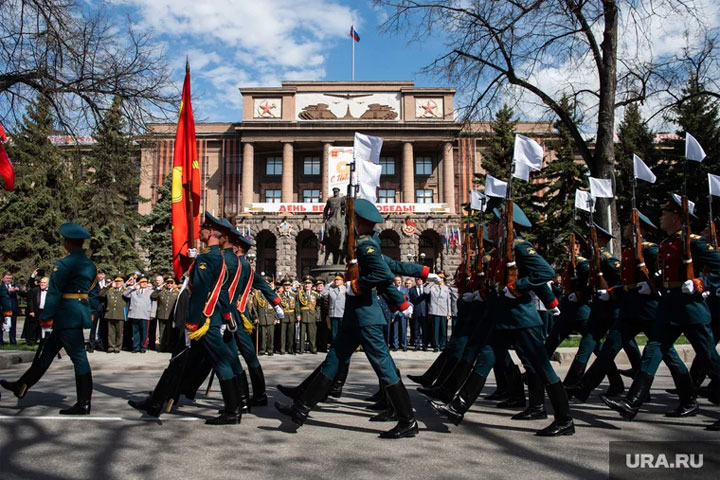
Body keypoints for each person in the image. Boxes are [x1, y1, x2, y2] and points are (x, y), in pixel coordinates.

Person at [276, 198, 419, 439]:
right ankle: (300, 409)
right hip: (355, 317)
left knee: (383, 367)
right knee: (333, 359)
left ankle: (408, 420)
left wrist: (357, 285)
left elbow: (382, 274)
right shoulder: (363, 243)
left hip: (366, 317)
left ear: (357, 221)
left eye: (349, 218)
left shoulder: (366, 245)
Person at [603, 195, 720, 428]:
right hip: (668, 308)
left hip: (690, 309)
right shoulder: (667, 244)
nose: (660, 217)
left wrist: (702, 283)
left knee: (709, 359)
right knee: (652, 350)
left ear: (676, 217)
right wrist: (652, 284)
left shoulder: (693, 242)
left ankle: (678, 402)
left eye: (665, 213)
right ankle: (632, 402)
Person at [1, 223, 99, 414]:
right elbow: (94, 293)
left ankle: (83, 403)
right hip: (76, 314)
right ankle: (22, 386)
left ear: (68, 243)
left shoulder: (63, 264)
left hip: (65, 315)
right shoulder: (91, 265)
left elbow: (55, 293)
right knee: (46, 353)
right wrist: (90, 312)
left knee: (79, 358)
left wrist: (46, 317)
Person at [123, 277, 153, 353]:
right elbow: (124, 294)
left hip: (145, 314)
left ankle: (143, 347)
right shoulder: (134, 292)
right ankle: (136, 347)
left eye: (145, 282)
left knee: (144, 332)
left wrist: (152, 314)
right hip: (134, 314)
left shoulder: (151, 292)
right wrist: (133, 287)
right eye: (142, 282)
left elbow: (154, 303)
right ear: (139, 283)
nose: (144, 283)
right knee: (135, 332)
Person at [425, 273, 452, 351]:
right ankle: (436, 345)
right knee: (435, 330)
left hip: (444, 311)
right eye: (438, 278)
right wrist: (431, 283)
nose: (440, 280)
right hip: (435, 311)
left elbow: (448, 301)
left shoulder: (446, 288)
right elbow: (426, 291)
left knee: (443, 330)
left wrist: (449, 312)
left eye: (441, 279)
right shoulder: (432, 287)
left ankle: (443, 345)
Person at [151, 277, 178, 352]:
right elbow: (153, 296)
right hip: (162, 314)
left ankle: (169, 347)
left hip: (170, 316)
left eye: (171, 283)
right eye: (168, 283)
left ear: (174, 284)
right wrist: (159, 288)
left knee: (170, 333)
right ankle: (162, 347)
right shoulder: (161, 291)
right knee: (162, 332)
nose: (169, 284)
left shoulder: (176, 293)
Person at [101, 276, 127, 353]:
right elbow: (101, 294)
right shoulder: (110, 290)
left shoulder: (124, 291)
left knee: (119, 332)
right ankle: (111, 346)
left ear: (122, 283)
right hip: (110, 313)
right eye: (116, 282)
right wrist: (106, 286)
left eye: (119, 282)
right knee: (110, 332)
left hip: (120, 314)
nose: (117, 283)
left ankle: (118, 346)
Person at [253, 279, 279, 355]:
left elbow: (277, 307)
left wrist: (276, 318)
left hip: (271, 318)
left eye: (267, 284)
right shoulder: (257, 295)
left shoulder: (272, 295)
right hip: (262, 318)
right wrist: (256, 317)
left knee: (271, 335)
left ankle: (270, 349)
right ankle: (262, 349)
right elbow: (254, 308)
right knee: (262, 335)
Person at [295, 276, 320, 354]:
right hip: (303, 315)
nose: (307, 285)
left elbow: (318, 306)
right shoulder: (299, 294)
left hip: (312, 315)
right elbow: (297, 305)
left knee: (312, 333)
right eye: (306, 283)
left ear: (312, 285)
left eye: (309, 284)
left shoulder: (315, 294)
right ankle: (301, 349)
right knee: (302, 333)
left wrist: (317, 315)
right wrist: (298, 314)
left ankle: (313, 348)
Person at [319, 275, 346, 342]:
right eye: (335, 280)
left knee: (343, 331)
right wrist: (329, 284)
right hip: (333, 313)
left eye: (338, 280)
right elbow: (323, 293)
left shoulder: (345, 289)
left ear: (342, 281)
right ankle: (334, 346)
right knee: (334, 332)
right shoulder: (331, 289)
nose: (336, 281)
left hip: (343, 313)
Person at [24, 276, 49, 346]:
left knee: (45, 327)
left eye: (44, 283)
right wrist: (31, 311)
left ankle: (43, 341)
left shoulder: (51, 291)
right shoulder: (35, 290)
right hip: (36, 310)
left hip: (45, 311)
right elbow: (30, 301)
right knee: (33, 326)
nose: (42, 284)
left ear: (47, 284)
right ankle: (31, 341)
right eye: (41, 282)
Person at [87, 270, 107, 352]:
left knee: (103, 327)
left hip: (105, 308)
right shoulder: (93, 284)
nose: (100, 276)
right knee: (93, 327)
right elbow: (92, 295)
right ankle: (91, 344)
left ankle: (101, 344)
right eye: (98, 274)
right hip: (95, 308)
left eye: (102, 274)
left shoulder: (108, 283)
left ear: (104, 275)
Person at [2, 271, 23, 345]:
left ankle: (13, 342)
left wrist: (18, 290)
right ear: (3, 278)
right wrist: (7, 291)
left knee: (13, 326)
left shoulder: (14, 284)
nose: (8, 280)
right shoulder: (1, 285)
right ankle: (1, 342)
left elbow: (22, 293)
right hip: (3, 308)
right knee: (2, 326)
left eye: (10, 278)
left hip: (13, 308)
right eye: (7, 278)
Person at [408, 278, 429, 350]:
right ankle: (417, 345)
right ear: (415, 280)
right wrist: (410, 312)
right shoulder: (411, 290)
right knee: (416, 329)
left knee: (425, 330)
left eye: (420, 279)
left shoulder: (426, 289)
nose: (419, 280)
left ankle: (424, 345)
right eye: (417, 279)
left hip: (425, 312)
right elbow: (410, 301)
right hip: (416, 312)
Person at [279, 280, 297, 354]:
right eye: (285, 285)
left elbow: (297, 306)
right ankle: (282, 349)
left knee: (291, 334)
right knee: (282, 334)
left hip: (291, 316)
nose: (287, 287)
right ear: (283, 286)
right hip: (283, 316)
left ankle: (290, 349)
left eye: (288, 285)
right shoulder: (279, 295)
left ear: (290, 286)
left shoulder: (294, 295)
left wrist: (297, 315)